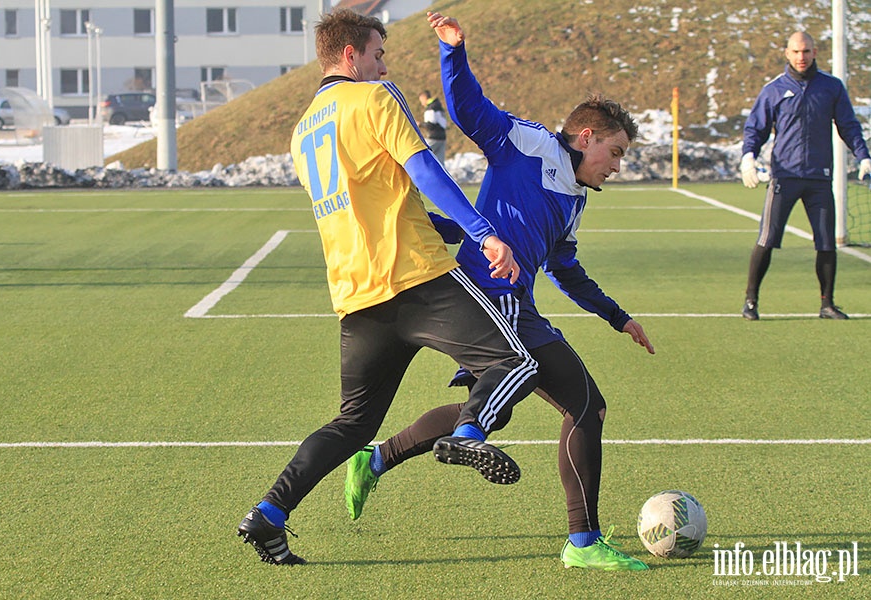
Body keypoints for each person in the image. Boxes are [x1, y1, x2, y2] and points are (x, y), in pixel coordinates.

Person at [343, 11, 654, 572]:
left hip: (518, 302)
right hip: (484, 293)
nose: (617, 165)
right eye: (616, 152)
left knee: (512, 407)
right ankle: (581, 540)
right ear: (586, 137)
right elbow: (469, 111)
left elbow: (566, 268)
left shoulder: (576, 197)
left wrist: (617, 316)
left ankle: (376, 459)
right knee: (583, 404)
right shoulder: (529, 144)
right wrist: (454, 53)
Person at [236, 8, 539, 566]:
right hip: (417, 277)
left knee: (352, 424)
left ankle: (269, 513)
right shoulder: (375, 97)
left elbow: (382, 198)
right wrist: (485, 234)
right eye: (378, 54)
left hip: (357, 296)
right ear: (351, 55)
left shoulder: (303, 130)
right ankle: (469, 432)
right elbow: (423, 172)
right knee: (515, 363)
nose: (383, 65)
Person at [739, 31, 871, 321]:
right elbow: (755, 129)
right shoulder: (774, 89)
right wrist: (748, 156)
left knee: (826, 241)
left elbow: (848, 125)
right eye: (796, 52)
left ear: (815, 52)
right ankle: (751, 301)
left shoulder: (831, 87)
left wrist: (863, 155)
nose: (802, 57)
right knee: (768, 237)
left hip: (820, 177)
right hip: (784, 177)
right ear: (787, 53)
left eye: (807, 51)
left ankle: (827, 304)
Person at [419, 89, 448, 164]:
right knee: (440, 163)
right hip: (442, 137)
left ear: (424, 98)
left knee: (423, 156)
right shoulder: (439, 107)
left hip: (434, 137)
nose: (422, 104)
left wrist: (420, 124)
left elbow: (431, 125)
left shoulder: (431, 109)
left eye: (421, 101)